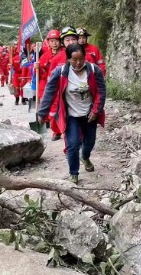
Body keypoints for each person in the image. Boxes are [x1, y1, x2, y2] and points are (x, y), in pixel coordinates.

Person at [37, 43, 106, 184]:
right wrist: (42, 112)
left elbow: (101, 92)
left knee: (89, 142)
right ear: (68, 59)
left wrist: (96, 110)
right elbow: (49, 92)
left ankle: (85, 157)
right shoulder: (60, 72)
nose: (78, 63)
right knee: (72, 144)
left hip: (89, 114)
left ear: (85, 57)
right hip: (70, 115)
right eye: (74, 60)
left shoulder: (94, 70)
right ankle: (73, 173)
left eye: (81, 59)